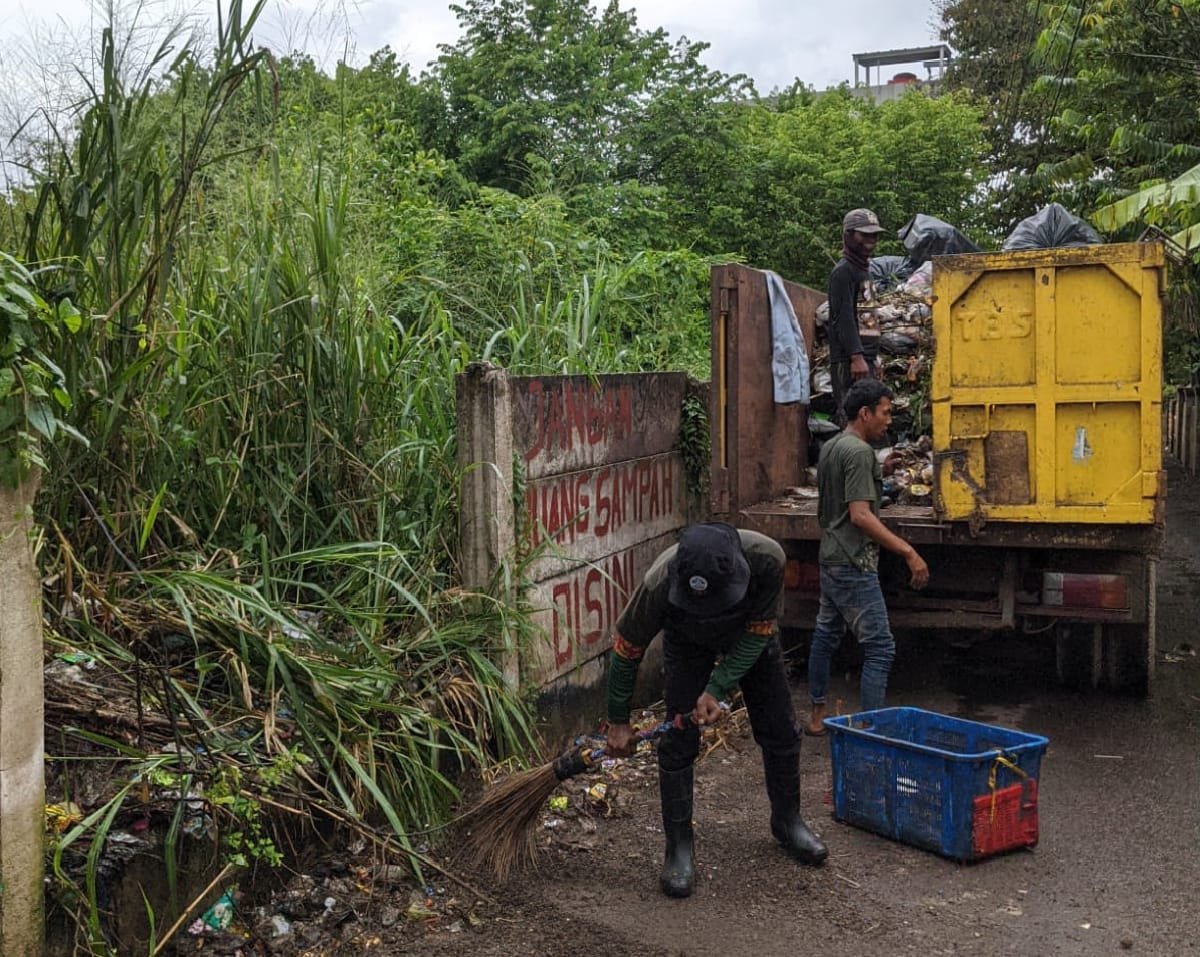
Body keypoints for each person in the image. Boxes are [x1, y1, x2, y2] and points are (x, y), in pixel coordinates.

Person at [605, 522, 827, 899]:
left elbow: (759, 630)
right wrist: (618, 721)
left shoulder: (767, 560)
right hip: (687, 643)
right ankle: (678, 849)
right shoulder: (658, 581)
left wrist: (718, 688)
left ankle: (788, 822)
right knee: (677, 742)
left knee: (780, 728)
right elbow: (627, 649)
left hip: (748, 636)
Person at [806, 379, 930, 735]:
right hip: (853, 563)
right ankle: (869, 730)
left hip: (830, 556)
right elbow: (860, 515)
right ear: (865, 413)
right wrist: (909, 552)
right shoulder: (859, 453)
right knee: (880, 648)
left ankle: (816, 715)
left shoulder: (832, 446)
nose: (889, 420)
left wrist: (881, 473)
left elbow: (843, 493)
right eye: (886, 413)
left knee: (825, 636)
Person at [828, 208, 885, 426]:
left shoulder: (863, 271)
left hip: (865, 359)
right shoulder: (843, 272)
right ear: (848, 235)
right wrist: (856, 357)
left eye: (874, 235)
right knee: (856, 420)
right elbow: (843, 319)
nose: (870, 239)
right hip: (850, 361)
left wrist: (873, 357)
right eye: (864, 234)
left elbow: (866, 316)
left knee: (870, 420)